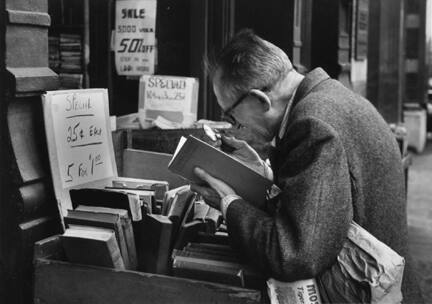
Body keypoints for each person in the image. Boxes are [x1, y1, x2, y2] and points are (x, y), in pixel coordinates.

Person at [190, 29, 423, 303]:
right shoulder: (332, 98)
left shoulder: (313, 124)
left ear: (260, 99)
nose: (234, 125)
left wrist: (228, 203)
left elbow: (294, 254)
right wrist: (263, 176)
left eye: (231, 114)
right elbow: (324, 209)